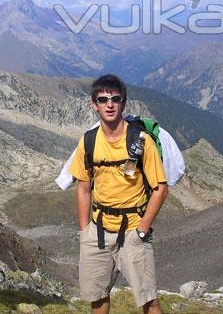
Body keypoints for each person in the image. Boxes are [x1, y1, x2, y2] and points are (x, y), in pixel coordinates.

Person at [69, 74, 168, 314]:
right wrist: (85, 232)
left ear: (124, 102)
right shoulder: (88, 141)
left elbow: (160, 188)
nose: (109, 104)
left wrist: (142, 229)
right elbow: (83, 188)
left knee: (148, 301)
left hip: (133, 231)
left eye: (115, 98)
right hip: (97, 232)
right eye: (103, 99)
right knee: (98, 298)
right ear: (94, 104)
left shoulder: (141, 140)